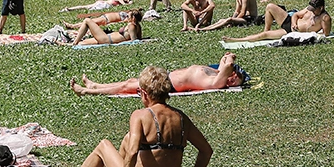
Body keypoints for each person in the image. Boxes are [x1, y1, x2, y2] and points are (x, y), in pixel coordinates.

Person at [54, 65, 212, 167]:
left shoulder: (140, 115)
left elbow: (132, 152)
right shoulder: (180, 117)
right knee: (128, 138)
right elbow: (206, 150)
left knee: (104, 145)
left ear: (144, 94)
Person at [73, 53, 245, 96]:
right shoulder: (218, 73)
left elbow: (228, 63)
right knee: (130, 81)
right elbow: (225, 60)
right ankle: (95, 85)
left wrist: (230, 60)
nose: (235, 73)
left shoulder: (218, 82)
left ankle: (87, 91)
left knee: (127, 87)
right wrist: (228, 58)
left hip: (166, 84)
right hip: (166, 77)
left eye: (237, 76)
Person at [226, 0, 331, 42]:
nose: (312, 11)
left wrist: (306, 35)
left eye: (314, 10)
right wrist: (294, 23)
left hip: (291, 32)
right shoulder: (309, 10)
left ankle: (236, 40)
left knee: (264, 36)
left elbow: (325, 34)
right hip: (289, 22)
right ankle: (266, 29)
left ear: (321, 8)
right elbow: (295, 15)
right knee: (270, 6)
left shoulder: (325, 18)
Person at [68, 13, 142, 46]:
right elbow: (139, 38)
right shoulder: (138, 26)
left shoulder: (131, 26)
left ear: (133, 18)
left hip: (107, 39)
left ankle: (74, 43)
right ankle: (68, 44)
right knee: (83, 42)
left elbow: (134, 40)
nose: (126, 17)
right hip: (107, 38)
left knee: (87, 20)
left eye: (128, 16)